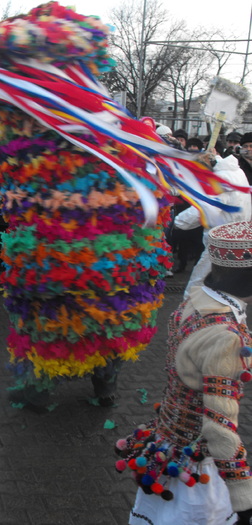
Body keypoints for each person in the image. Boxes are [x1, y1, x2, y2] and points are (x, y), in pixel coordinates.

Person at [116, 220, 252, 525]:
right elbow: (218, 426)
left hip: (168, 444)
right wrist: (243, 499)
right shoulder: (227, 336)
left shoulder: (193, 302)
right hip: (196, 467)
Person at [174, 152, 252, 298]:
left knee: (199, 282)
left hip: (221, 243)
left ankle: (188, 314)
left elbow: (204, 208)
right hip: (238, 239)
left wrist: (177, 222)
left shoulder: (221, 180)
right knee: (232, 288)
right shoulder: (236, 171)